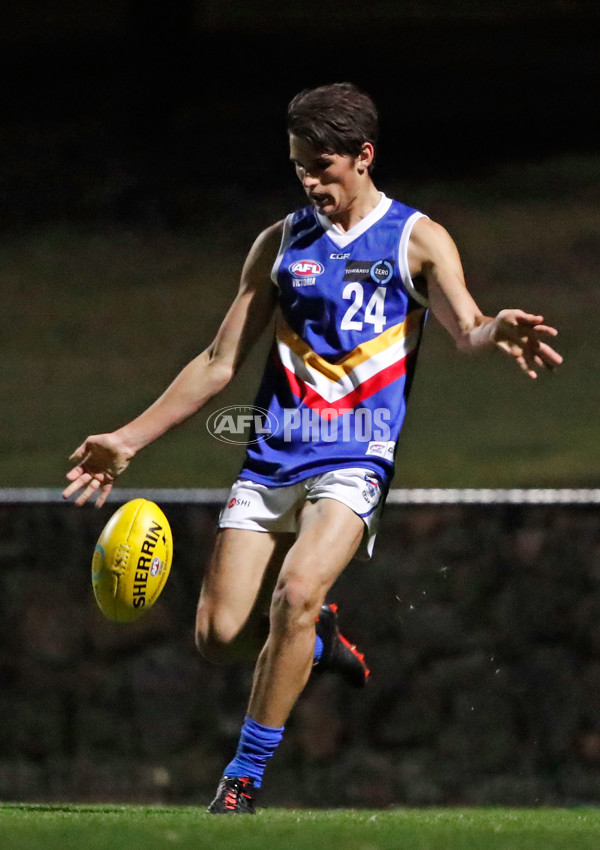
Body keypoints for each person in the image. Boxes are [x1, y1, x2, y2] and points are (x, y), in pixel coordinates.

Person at [63, 82, 563, 813]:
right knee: (220, 634)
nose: (309, 180)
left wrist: (498, 330)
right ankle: (321, 641)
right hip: (272, 456)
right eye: (299, 165)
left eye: (322, 165)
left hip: (358, 455)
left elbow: (465, 327)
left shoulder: (415, 238)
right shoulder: (281, 242)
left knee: (296, 593)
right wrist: (128, 439)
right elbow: (216, 361)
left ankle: (242, 779)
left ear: (364, 157)